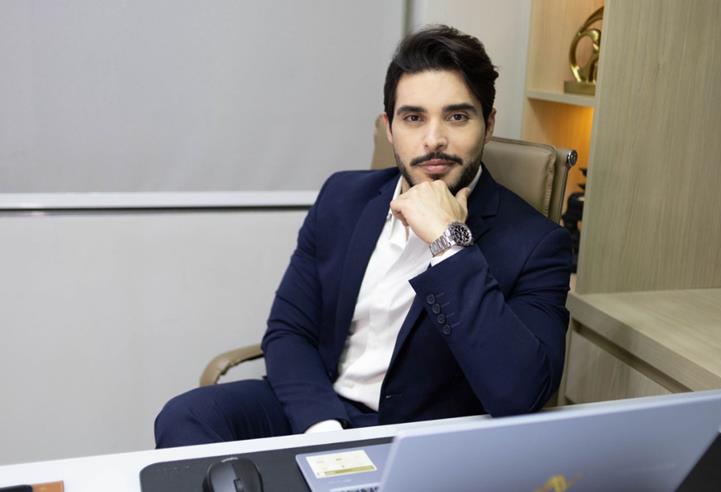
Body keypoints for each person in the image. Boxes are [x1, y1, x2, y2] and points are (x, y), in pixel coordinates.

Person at [155, 24, 572, 447]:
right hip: (322, 411)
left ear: (489, 124)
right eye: (413, 118)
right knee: (186, 416)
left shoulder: (537, 244)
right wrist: (323, 432)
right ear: (389, 128)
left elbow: (520, 393)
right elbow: (289, 331)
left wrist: (449, 243)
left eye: (457, 116)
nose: (434, 140)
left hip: (418, 436)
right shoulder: (343, 197)